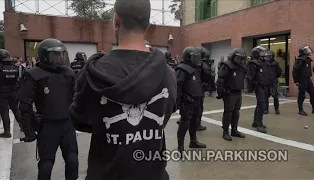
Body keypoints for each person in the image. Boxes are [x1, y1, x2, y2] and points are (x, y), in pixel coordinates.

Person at [69, 0, 176, 179]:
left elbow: (79, 120)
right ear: (148, 24)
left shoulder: (92, 73)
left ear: (116, 20)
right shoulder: (168, 73)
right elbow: (165, 114)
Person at [18, 38, 79, 180]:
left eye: (62, 54)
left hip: (67, 125)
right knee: (46, 164)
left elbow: (76, 98)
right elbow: (25, 104)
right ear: (46, 55)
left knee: (72, 160)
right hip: (47, 126)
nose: (61, 57)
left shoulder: (68, 73)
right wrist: (29, 130)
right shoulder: (34, 74)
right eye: (56, 54)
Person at [176, 46, 207, 152]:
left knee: (194, 122)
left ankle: (193, 141)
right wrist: (178, 103)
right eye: (195, 57)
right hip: (187, 102)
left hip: (197, 100)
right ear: (188, 57)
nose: (197, 59)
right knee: (184, 124)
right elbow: (178, 86)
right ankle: (180, 146)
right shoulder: (182, 69)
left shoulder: (195, 68)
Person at [216, 48, 247, 141]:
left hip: (238, 92)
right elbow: (220, 80)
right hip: (229, 92)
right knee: (228, 112)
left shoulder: (241, 66)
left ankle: (234, 130)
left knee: (236, 112)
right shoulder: (227, 65)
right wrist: (220, 93)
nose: (240, 60)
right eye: (239, 58)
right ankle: (225, 132)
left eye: (242, 58)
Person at [292, 45, 314, 115]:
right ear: (303, 52)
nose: (308, 51)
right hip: (302, 79)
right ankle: (300, 110)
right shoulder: (300, 60)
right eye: (306, 50)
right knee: (302, 95)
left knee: (313, 94)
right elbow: (295, 70)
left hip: (307, 78)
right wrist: (296, 81)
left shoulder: (307, 59)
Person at [247, 46, 269, 133]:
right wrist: (252, 86)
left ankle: (255, 122)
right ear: (256, 53)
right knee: (262, 105)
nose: (264, 53)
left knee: (260, 104)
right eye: (262, 52)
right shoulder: (254, 63)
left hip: (265, 86)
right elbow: (250, 77)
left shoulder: (264, 62)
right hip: (259, 86)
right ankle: (259, 124)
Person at [0, 49, 21, 138]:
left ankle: (7, 132)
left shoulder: (0, 68)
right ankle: (24, 126)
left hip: (2, 93)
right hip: (13, 92)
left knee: (4, 112)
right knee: (16, 110)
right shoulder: (15, 68)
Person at [265, 50, 282, 115]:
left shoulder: (275, 64)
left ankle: (276, 109)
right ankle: (266, 109)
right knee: (265, 96)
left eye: (269, 56)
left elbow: (279, 72)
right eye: (267, 56)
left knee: (275, 96)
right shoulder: (265, 63)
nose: (268, 58)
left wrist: (274, 77)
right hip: (266, 82)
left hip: (273, 82)